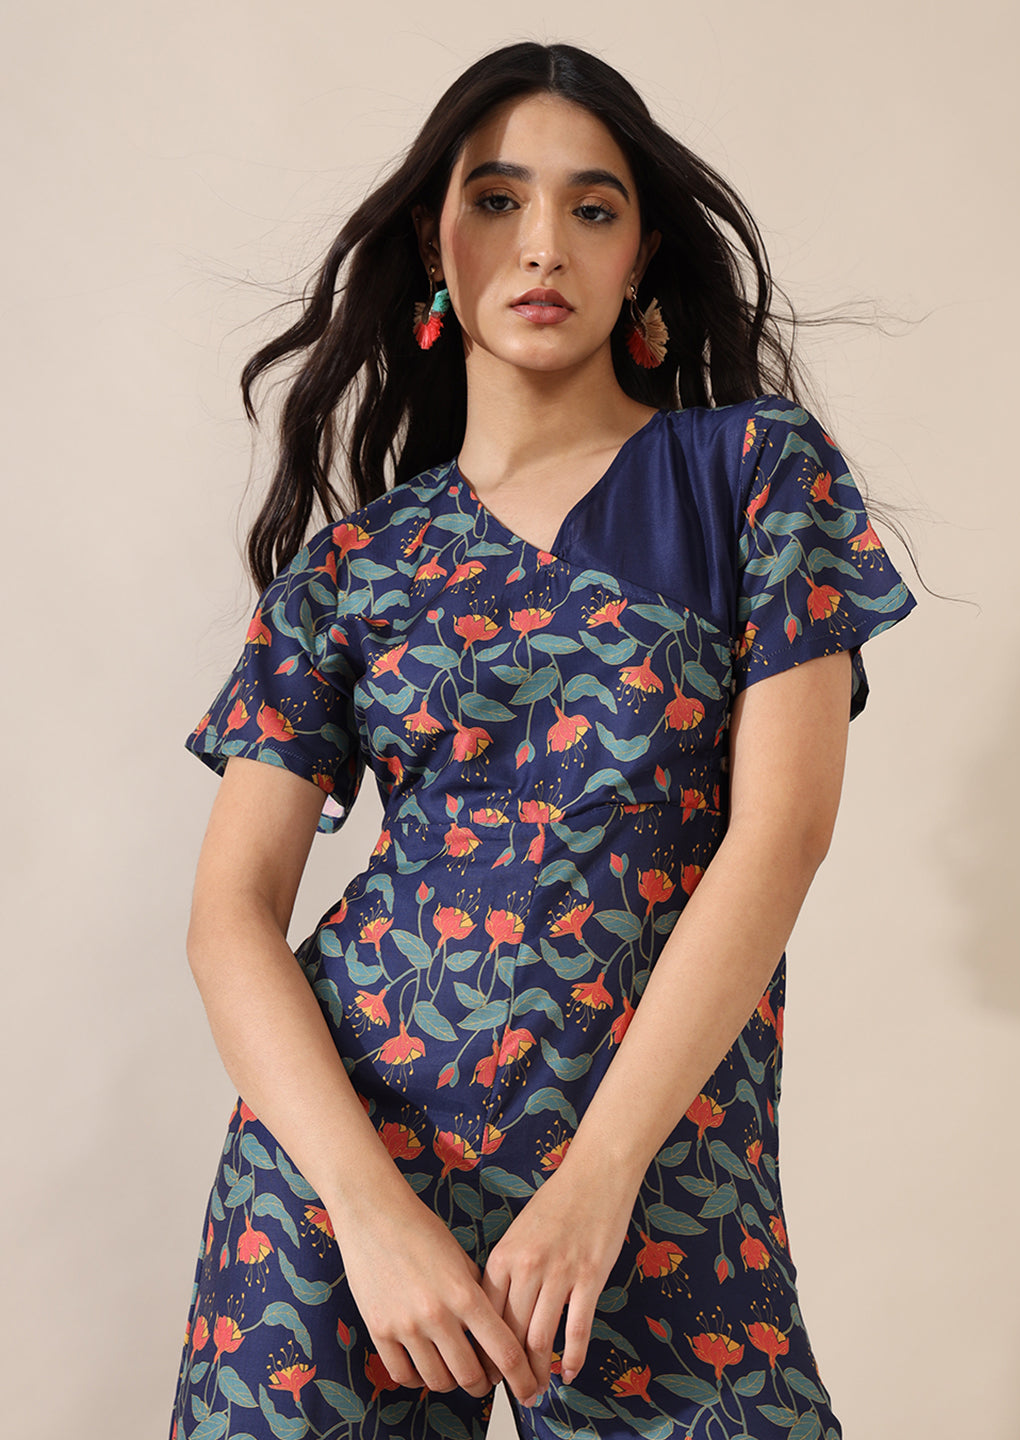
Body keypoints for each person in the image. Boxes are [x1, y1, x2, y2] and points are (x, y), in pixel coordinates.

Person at [168, 39, 916, 1440]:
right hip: (349, 1180)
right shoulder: (353, 569)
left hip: (660, 1171)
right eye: (499, 200)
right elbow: (229, 918)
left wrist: (600, 1174)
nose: (543, 246)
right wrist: (368, 1213)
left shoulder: (752, 477)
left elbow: (782, 835)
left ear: (641, 257)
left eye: (593, 207)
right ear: (434, 244)